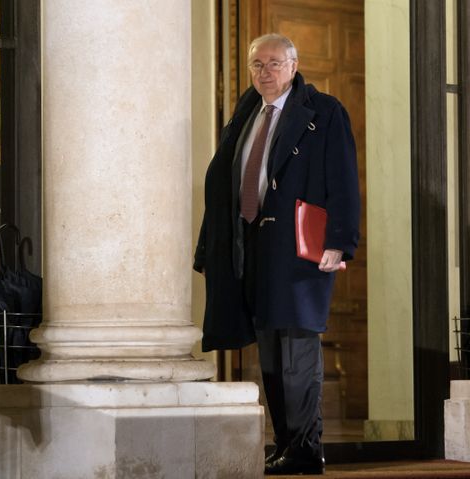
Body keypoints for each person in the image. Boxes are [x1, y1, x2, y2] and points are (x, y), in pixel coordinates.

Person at [194, 33, 360, 475]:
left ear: (293, 65)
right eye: (256, 65)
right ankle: (286, 442)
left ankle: (306, 447)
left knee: (297, 347)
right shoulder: (247, 112)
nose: (264, 73)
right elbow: (222, 187)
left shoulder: (323, 112)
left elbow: (343, 180)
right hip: (252, 246)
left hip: (301, 248)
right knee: (269, 349)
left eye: (273, 64)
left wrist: (339, 241)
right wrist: (209, 245)